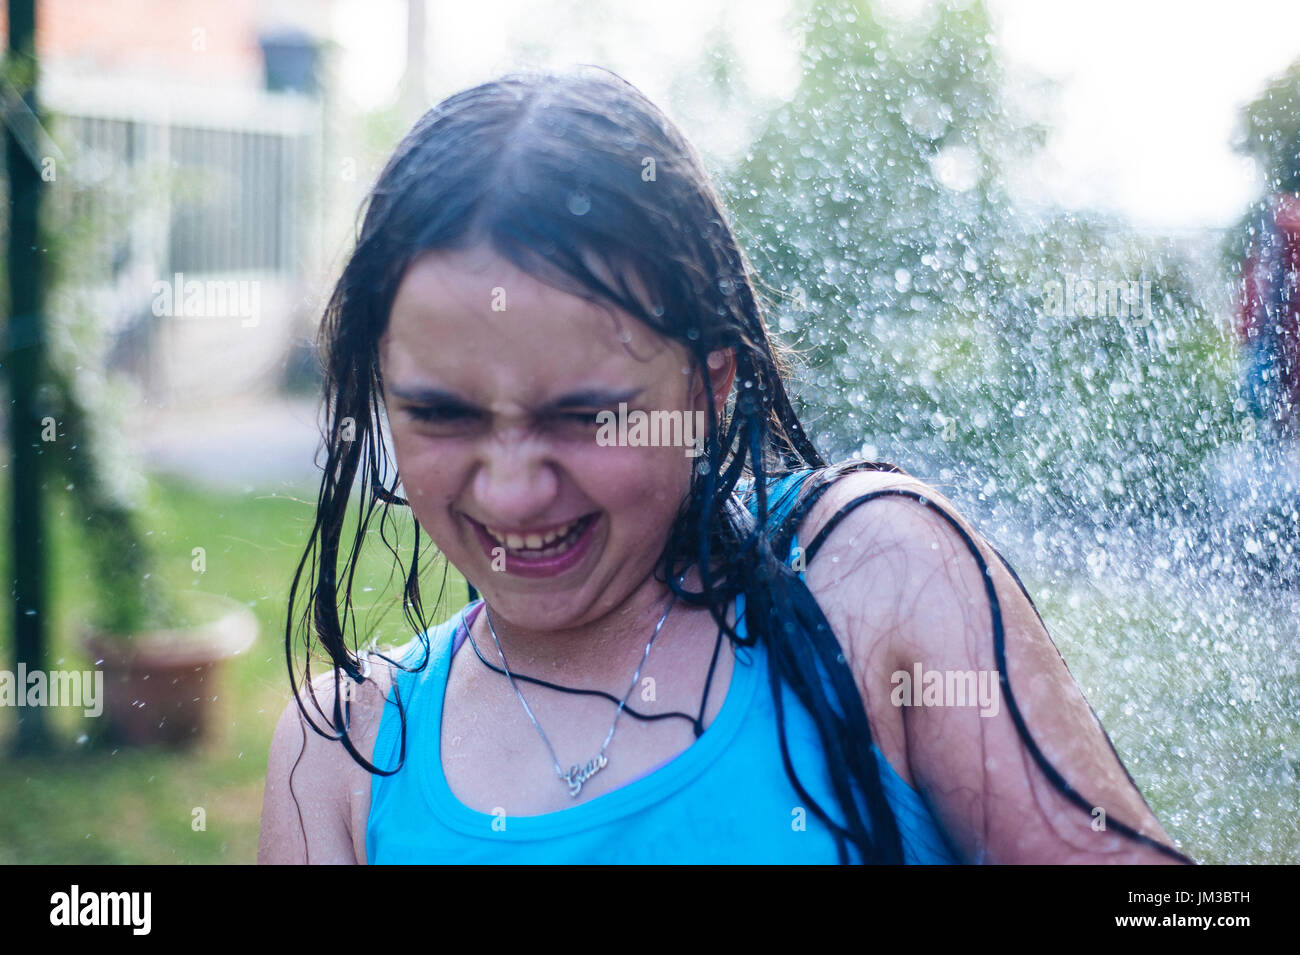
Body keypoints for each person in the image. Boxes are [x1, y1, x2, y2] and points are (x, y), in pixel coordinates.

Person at [258, 66, 1192, 865]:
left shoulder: (872, 590)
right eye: (441, 415)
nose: (510, 488)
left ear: (709, 391)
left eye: (586, 415)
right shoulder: (346, 753)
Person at [1237, 192, 1300, 437]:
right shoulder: (1280, 257)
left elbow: (1246, 314)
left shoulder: (1265, 262)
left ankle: (1273, 437)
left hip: (1274, 357)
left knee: (1268, 422)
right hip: (1285, 356)